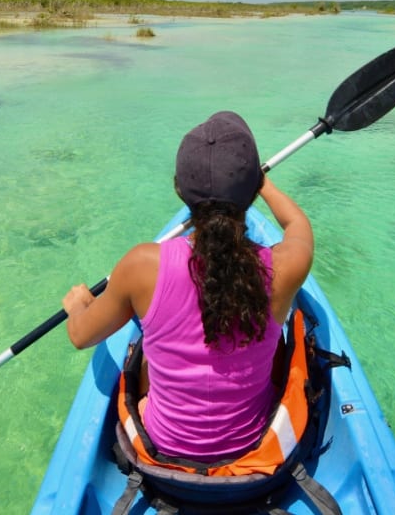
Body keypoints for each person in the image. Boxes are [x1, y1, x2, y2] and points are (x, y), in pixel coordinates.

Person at [62, 111, 314, 462]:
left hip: (163, 450)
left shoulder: (141, 266)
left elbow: (80, 336)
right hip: (250, 449)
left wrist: (78, 306)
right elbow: (296, 223)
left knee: (149, 344)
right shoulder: (287, 265)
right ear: (252, 191)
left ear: (179, 189)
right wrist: (262, 182)